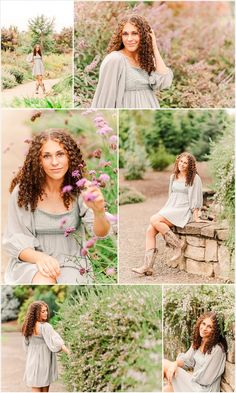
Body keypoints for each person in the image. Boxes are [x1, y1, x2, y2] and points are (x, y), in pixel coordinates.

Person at [3, 129, 111, 284]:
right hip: (32, 262)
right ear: (38, 160)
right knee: (44, 280)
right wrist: (41, 258)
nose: (55, 162)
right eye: (47, 156)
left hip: (73, 263)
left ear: (69, 156)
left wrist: (99, 211)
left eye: (60, 154)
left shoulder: (82, 189)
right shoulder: (24, 192)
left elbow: (100, 233)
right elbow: (16, 238)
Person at [132, 152, 203, 275]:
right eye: (181, 161)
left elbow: (196, 198)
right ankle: (147, 266)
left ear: (190, 165)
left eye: (185, 163)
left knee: (154, 219)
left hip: (183, 209)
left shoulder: (194, 178)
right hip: (171, 208)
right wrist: (165, 210)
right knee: (150, 230)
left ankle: (178, 245)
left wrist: (196, 216)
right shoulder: (173, 177)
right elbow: (171, 196)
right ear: (177, 161)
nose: (182, 164)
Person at [91, 14, 173, 109]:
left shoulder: (146, 60)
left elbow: (164, 82)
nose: (129, 39)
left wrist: (154, 47)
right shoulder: (115, 60)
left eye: (134, 33)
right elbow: (105, 98)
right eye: (125, 34)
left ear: (144, 36)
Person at [163, 311, 227, 392]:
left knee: (164, 364)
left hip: (203, 389)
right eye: (203, 324)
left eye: (209, 327)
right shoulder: (199, 342)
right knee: (166, 390)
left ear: (215, 331)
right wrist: (175, 364)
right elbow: (187, 361)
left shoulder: (217, 350)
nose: (204, 328)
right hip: (194, 384)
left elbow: (205, 379)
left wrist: (185, 376)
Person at [22, 300, 70, 392]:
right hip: (45, 363)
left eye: (46, 310)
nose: (46, 313)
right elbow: (56, 342)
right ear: (36, 313)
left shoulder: (27, 327)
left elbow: (26, 345)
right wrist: (68, 351)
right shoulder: (45, 327)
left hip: (32, 362)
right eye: (43, 311)